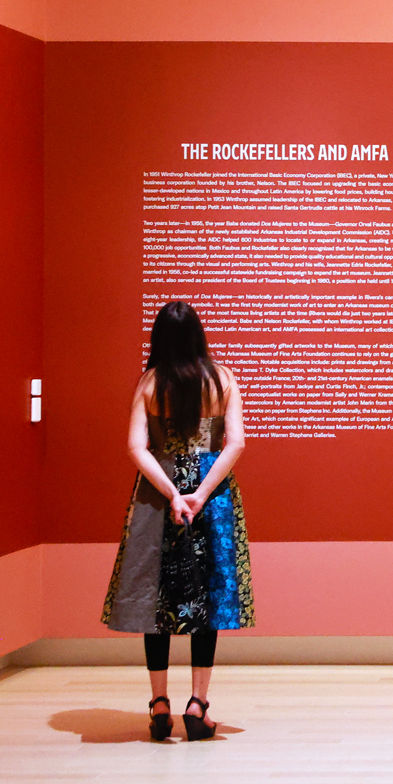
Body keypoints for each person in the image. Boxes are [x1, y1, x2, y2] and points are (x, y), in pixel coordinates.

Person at [101, 301, 254, 741]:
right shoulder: (222, 378)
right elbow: (236, 443)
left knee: (157, 600)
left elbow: (136, 447)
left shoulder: (150, 382)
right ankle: (198, 703)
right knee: (206, 596)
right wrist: (200, 494)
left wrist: (172, 493)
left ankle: (159, 703)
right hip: (212, 498)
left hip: (158, 496)